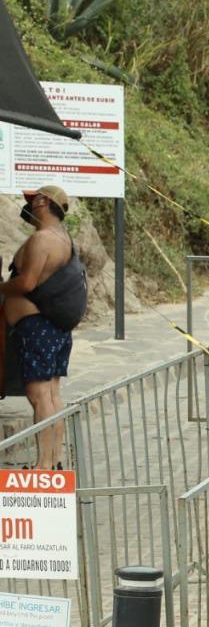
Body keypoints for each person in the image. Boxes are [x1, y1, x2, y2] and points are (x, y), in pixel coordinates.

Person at [0, 185, 87, 469]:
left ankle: (42, 466)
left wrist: (1, 287)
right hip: (55, 329)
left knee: (39, 396)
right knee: (51, 394)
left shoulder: (42, 239)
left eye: (32, 200)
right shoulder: (64, 238)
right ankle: (52, 460)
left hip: (38, 327)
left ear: (41, 201)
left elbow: (26, 283)